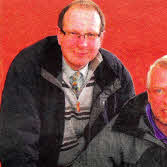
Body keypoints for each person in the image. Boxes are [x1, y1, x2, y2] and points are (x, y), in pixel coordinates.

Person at [0, 0, 135, 167]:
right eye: (73, 33)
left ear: (101, 37)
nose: (82, 44)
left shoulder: (115, 73)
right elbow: (17, 146)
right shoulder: (29, 66)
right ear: (59, 35)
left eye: (91, 35)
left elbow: (130, 139)